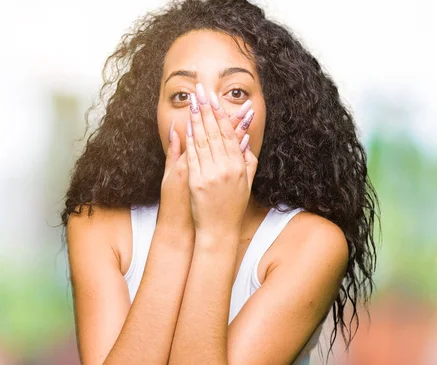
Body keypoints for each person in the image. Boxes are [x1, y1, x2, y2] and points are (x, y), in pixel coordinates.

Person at [60, 0, 380, 364]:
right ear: (154, 116)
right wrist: (175, 229)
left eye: (235, 93)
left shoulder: (311, 244)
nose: (207, 117)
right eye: (182, 96)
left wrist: (216, 234)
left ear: (271, 112)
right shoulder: (97, 226)